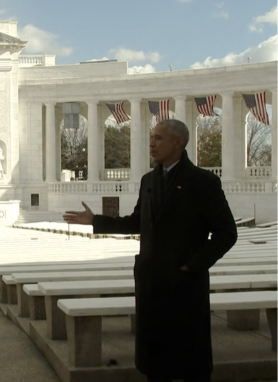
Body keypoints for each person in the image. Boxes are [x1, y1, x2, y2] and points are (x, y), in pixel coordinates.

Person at [63, 119, 237, 382]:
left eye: (158, 138)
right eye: (152, 138)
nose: (152, 144)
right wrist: (96, 220)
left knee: (189, 359)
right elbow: (137, 222)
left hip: (185, 284)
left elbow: (227, 233)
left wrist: (193, 265)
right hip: (152, 282)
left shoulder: (203, 182)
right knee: (154, 361)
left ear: (178, 142)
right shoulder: (148, 180)